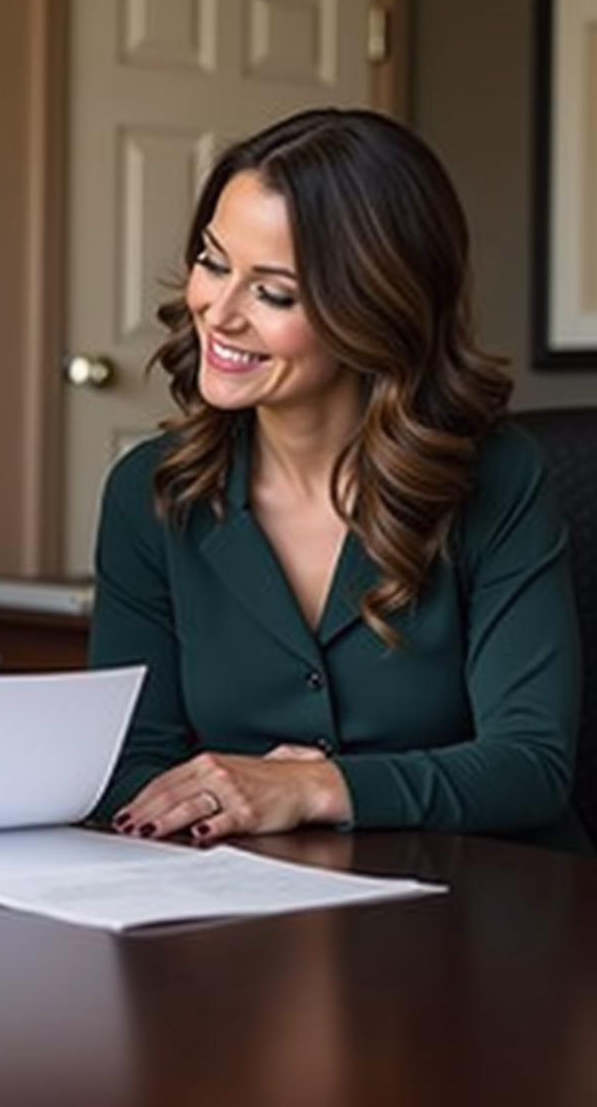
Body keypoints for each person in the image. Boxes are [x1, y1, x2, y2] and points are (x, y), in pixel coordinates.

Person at [90, 107, 587, 852]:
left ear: (375, 308)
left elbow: (530, 764)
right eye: (214, 262)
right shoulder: (151, 493)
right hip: (238, 907)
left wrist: (316, 785)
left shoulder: (497, 478)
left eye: (274, 292)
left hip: (482, 910)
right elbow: (132, 766)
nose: (218, 313)